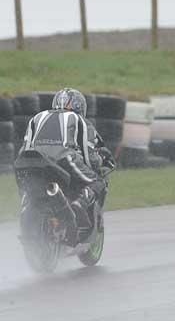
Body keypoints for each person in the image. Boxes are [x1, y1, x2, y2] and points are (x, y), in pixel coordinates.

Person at [20, 88, 114, 233]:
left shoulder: (37, 117)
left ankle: (26, 206)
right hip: (64, 158)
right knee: (97, 182)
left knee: (27, 185)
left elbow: (25, 147)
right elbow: (87, 154)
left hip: (30, 160)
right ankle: (79, 204)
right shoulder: (79, 120)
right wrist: (97, 167)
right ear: (80, 106)